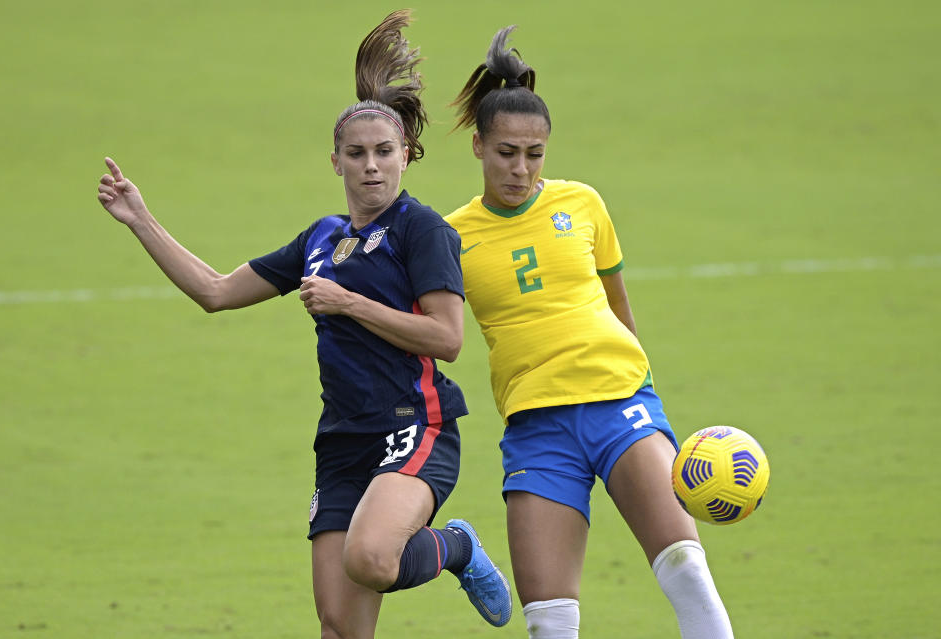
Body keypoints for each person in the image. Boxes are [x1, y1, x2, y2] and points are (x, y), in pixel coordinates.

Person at [96, 11, 511, 638]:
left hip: (413, 428)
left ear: (407, 156)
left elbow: (446, 339)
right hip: (341, 443)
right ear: (336, 163)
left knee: (372, 559)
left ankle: (455, 547)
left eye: (384, 153)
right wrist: (140, 219)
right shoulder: (321, 238)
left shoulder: (421, 231)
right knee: (339, 627)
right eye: (356, 154)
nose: (371, 166)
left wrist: (347, 304)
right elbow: (214, 292)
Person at [445, 26, 734, 639]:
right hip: (535, 427)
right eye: (506, 153)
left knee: (686, 568)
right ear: (477, 146)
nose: (521, 169)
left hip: (620, 405)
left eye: (534, 153)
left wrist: (646, 399)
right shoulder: (449, 238)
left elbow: (618, 305)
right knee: (549, 622)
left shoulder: (584, 204)